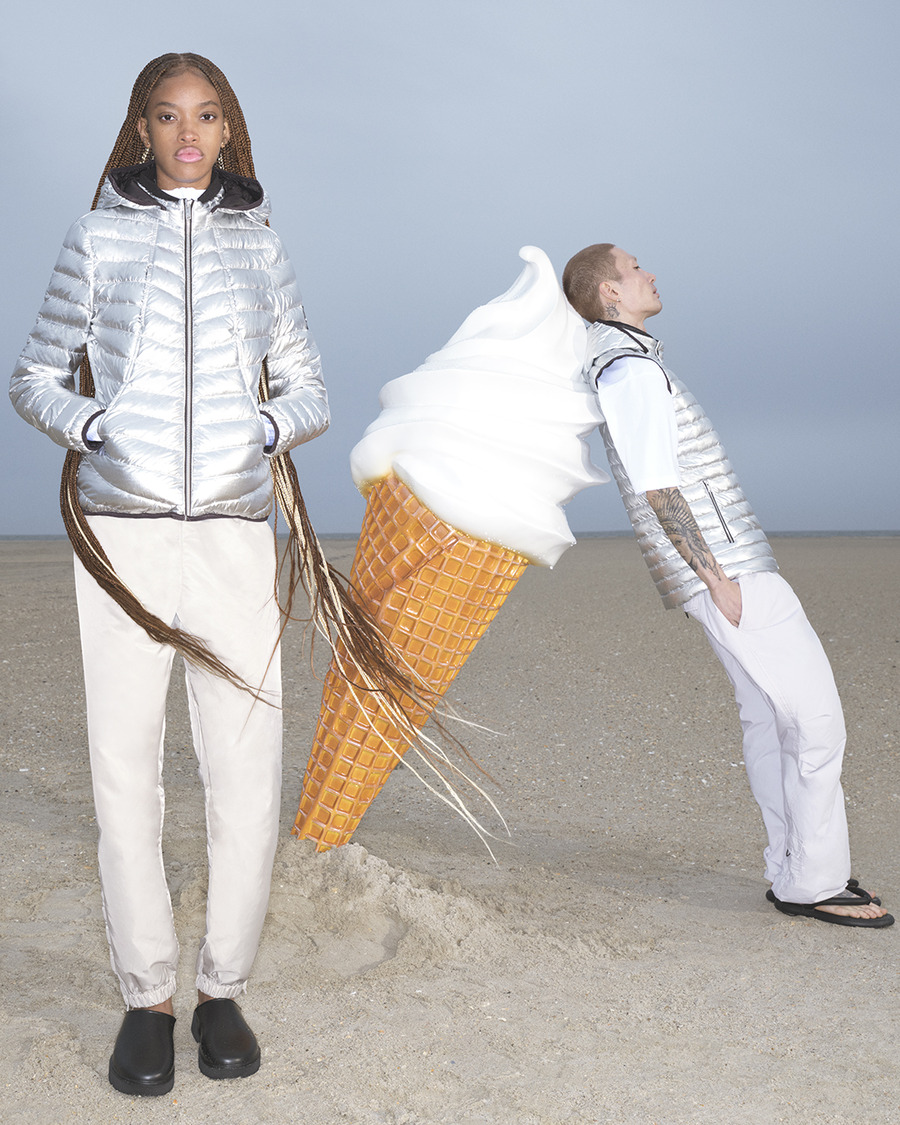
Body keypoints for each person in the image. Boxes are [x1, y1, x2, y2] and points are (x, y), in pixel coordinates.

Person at [10, 53, 335, 1096]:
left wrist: (261, 433)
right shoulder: (97, 237)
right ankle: (147, 997)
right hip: (124, 535)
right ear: (142, 129)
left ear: (228, 129)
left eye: (205, 115)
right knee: (124, 768)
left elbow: (310, 386)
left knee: (245, 767)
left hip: (236, 534)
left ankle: (222, 989)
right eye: (167, 115)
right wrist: (97, 427)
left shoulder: (261, 244)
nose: (187, 133)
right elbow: (33, 376)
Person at [562, 243, 892, 930]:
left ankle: (794, 870)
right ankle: (815, 881)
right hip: (729, 569)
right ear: (610, 294)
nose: (650, 272)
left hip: (724, 567)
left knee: (769, 720)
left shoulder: (626, 361)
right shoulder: (629, 370)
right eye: (633, 268)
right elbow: (657, 487)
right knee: (816, 723)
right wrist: (716, 578)